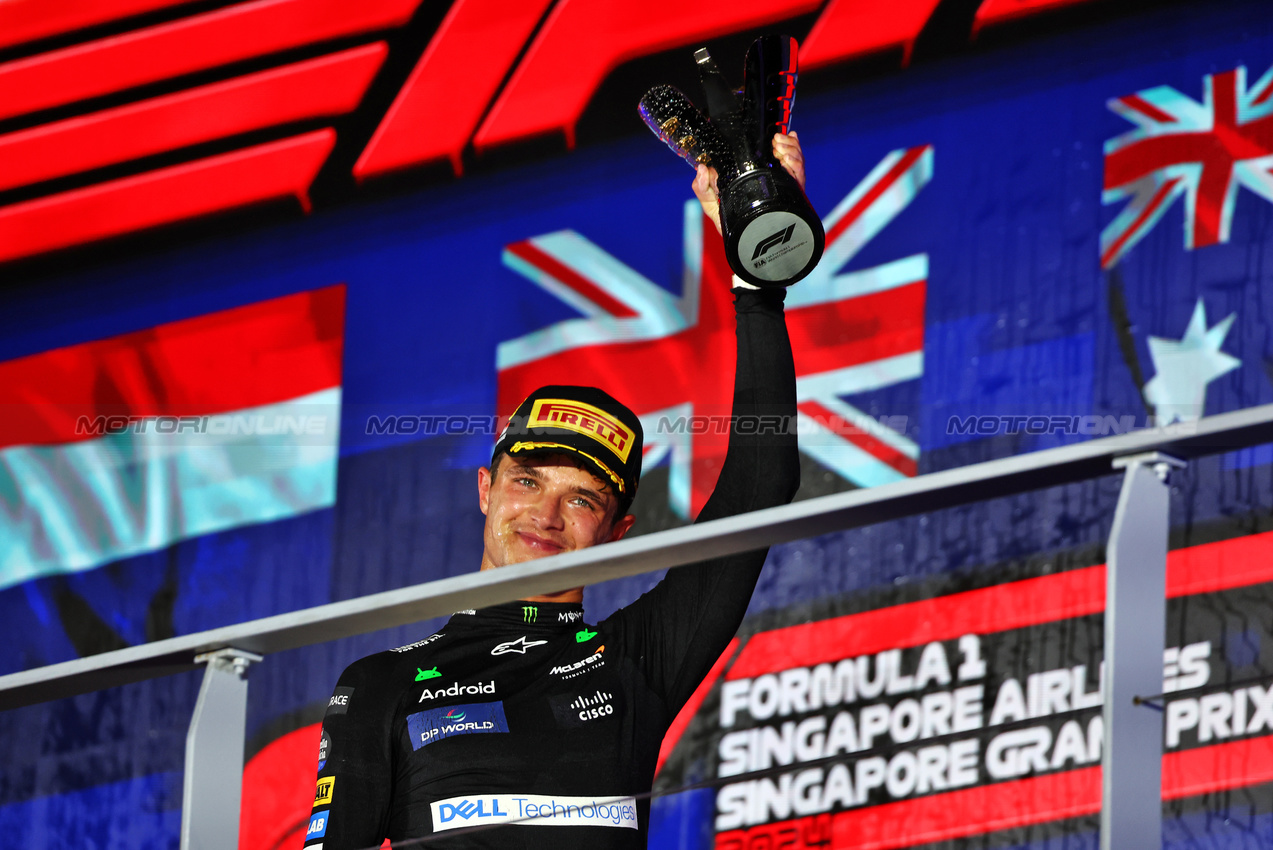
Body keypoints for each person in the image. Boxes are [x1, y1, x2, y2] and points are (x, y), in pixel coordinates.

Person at [305, 133, 807, 849]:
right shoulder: (382, 684)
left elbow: (762, 482)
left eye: (581, 499)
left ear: (618, 530)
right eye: (527, 482)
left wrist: (758, 276)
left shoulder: (633, 663)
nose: (543, 515)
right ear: (485, 489)